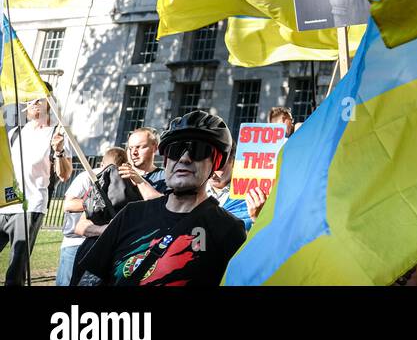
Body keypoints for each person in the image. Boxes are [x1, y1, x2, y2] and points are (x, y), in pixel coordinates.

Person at [75, 111, 246, 286]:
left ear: (216, 162)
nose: (184, 158)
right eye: (175, 150)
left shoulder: (228, 228)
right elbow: (92, 276)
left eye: (198, 150)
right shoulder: (131, 214)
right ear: (166, 161)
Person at [0, 95, 73, 285]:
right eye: (30, 100)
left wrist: (58, 151)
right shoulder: (15, 133)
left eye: (38, 99)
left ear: (50, 104)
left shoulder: (57, 135)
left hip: (29, 207)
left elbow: (65, 175)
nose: (32, 103)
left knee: (15, 272)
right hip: (5, 204)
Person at [57, 146, 126, 286]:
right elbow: (68, 204)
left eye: (116, 170)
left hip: (102, 244)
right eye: (109, 169)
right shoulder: (87, 177)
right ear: (102, 165)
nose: (112, 174)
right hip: (75, 242)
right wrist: (94, 203)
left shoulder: (124, 180)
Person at [120, 127, 167, 200]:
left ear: (155, 148)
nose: (133, 153)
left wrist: (140, 181)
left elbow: (164, 206)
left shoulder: (166, 177)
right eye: (130, 148)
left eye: (138, 147)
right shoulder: (119, 176)